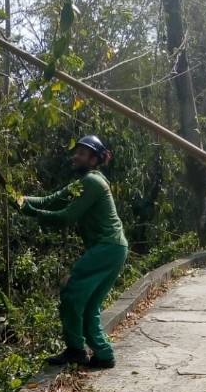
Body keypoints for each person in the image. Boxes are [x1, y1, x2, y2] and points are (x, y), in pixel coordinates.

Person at [13, 135, 128, 369]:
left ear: (94, 160)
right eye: (76, 152)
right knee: (90, 303)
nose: (75, 156)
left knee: (72, 293)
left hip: (107, 246)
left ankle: (76, 350)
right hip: (114, 247)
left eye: (82, 154)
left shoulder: (93, 182)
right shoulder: (84, 183)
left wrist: (33, 212)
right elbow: (52, 200)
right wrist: (20, 200)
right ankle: (104, 355)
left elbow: (65, 216)